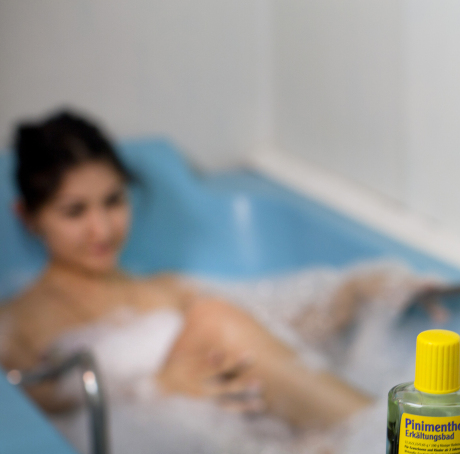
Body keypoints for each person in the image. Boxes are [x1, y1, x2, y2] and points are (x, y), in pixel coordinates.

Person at [0, 110, 430, 429]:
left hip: (249, 448)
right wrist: (154, 390)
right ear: (28, 217)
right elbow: (41, 428)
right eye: (75, 211)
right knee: (214, 318)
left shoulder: (164, 289)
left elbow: (282, 332)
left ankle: (388, 444)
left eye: (113, 202)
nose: (102, 228)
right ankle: (400, 444)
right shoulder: (17, 325)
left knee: (216, 317)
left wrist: (358, 292)